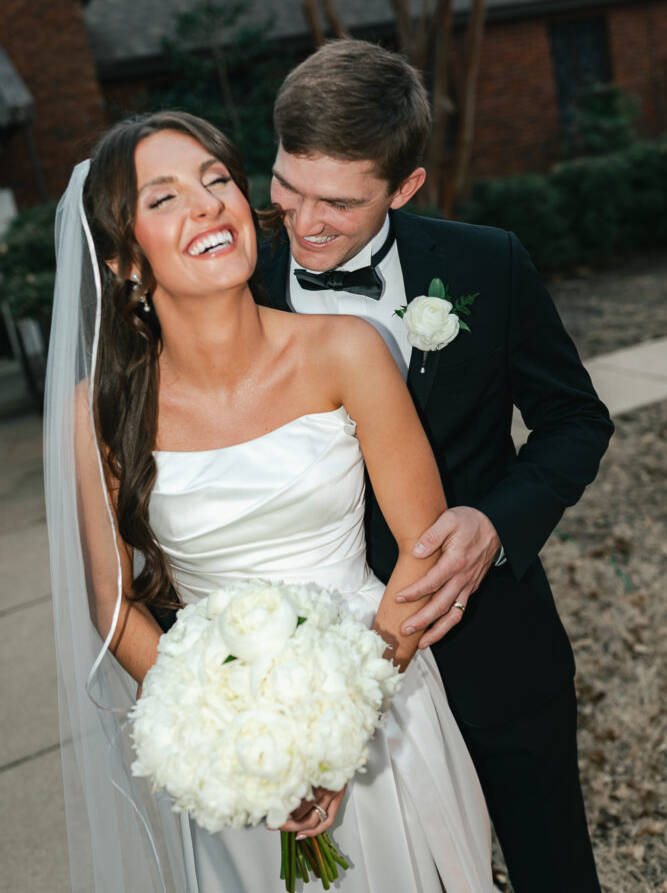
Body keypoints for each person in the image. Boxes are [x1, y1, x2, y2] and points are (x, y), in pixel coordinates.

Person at [45, 110, 493, 893]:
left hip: (383, 701)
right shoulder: (99, 412)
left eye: (216, 179)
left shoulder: (345, 349)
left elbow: (424, 557)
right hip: (234, 761)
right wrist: (226, 737)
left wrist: (335, 733)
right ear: (122, 260)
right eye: (165, 198)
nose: (208, 204)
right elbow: (113, 607)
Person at [258, 39, 614, 893]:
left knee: (552, 870)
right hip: (315, 659)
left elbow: (574, 419)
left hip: (492, 640)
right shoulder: (233, 280)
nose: (304, 224)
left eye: (337, 204)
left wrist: (495, 522)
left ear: (405, 187)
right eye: (285, 188)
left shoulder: (484, 262)